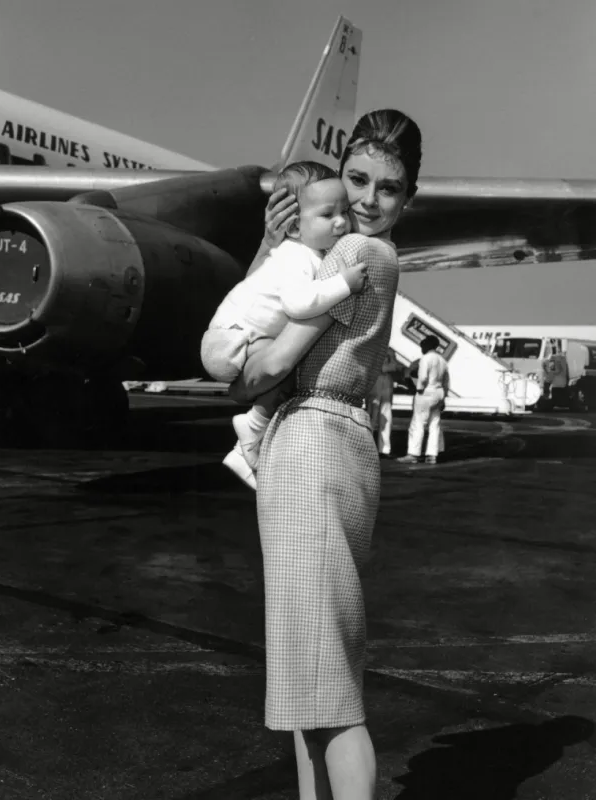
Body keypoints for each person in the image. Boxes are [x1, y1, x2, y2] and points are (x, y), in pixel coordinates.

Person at [230, 109, 422, 800]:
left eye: (388, 189)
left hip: (311, 442)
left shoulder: (353, 256)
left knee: (324, 689)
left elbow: (261, 366)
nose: (367, 201)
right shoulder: (370, 254)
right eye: (357, 180)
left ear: (408, 199)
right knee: (312, 680)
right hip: (337, 445)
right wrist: (271, 243)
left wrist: (235, 362)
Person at [200, 161, 367, 488]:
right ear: (293, 227)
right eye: (327, 215)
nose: (342, 222)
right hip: (234, 340)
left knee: (287, 378)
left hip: (237, 336)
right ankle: (252, 428)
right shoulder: (298, 257)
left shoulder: (306, 253)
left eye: (345, 212)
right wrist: (345, 284)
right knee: (289, 374)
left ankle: (245, 449)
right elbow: (299, 304)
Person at [398, 335, 449, 465]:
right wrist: (444, 398)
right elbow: (446, 381)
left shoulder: (425, 359)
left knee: (418, 424)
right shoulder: (442, 360)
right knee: (434, 424)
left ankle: (413, 454)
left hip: (426, 392)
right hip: (439, 392)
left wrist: (419, 389)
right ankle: (432, 455)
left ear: (426, 347)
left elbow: (423, 377)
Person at [367, 346, 398, 458]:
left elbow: (393, 367)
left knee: (385, 416)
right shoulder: (374, 348)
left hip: (384, 382)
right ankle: (368, 447)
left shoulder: (388, 350)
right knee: (372, 417)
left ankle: (384, 449)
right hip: (376, 382)